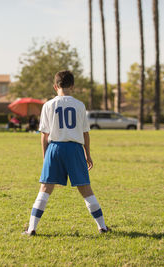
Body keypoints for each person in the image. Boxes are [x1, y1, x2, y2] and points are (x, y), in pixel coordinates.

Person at [22, 70, 109, 236]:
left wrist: (45, 155)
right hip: (75, 149)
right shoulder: (80, 105)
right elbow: (85, 133)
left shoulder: (48, 105)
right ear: (73, 87)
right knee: (85, 189)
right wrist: (87, 154)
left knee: (45, 188)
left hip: (55, 148)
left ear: (55, 86)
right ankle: (102, 227)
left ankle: (32, 228)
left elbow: (44, 135)